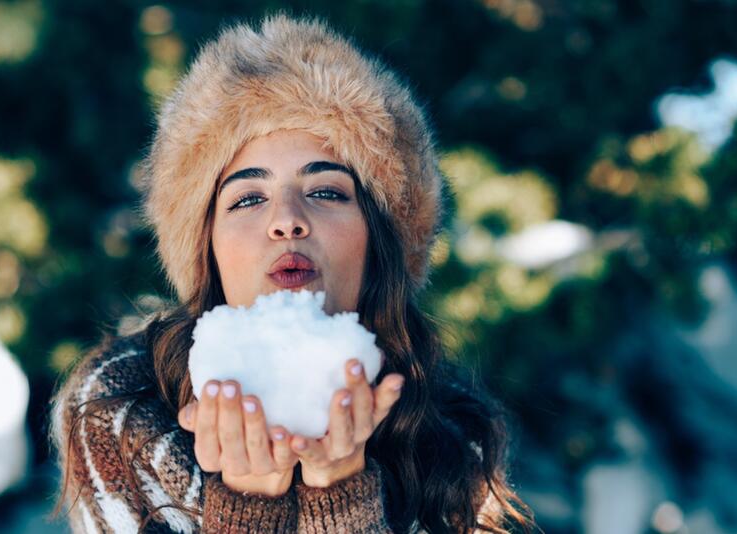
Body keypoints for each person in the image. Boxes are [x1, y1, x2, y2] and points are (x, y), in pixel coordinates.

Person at [51, 13, 536, 534]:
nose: (286, 221)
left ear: (379, 240)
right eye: (248, 197)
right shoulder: (119, 411)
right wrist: (248, 505)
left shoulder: (453, 435)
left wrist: (340, 492)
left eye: (326, 192)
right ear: (206, 247)